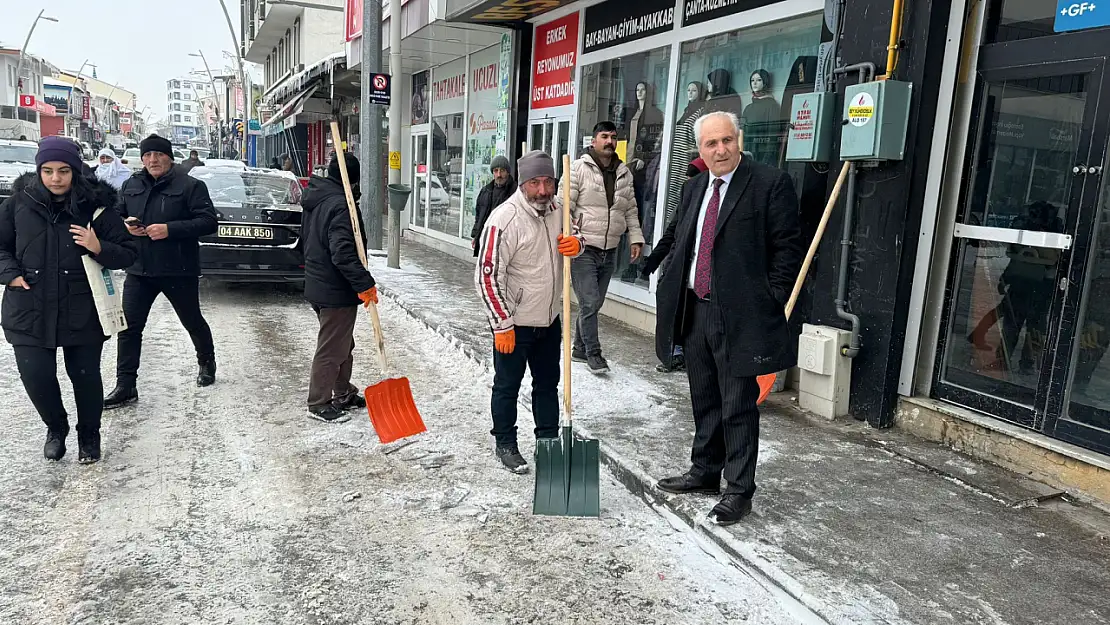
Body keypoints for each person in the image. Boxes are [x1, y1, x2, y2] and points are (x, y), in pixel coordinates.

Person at [654, 112, 802, 526]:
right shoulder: (695, 186)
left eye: (726, 141)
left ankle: (739, 490)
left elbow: (788, 248)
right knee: (704, 396)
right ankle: (704, 470)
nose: (720, 150)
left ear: (739, 139)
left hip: (740, 315)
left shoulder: (770, 184)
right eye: (710, 144)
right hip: (695, 308)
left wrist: (770, 297)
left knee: (738, 404)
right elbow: (680, 235)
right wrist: (654, 263)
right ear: (699, 150)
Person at [0, 137, 138, 462]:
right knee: (36, 376)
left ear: (75, 171)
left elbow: (130, 254)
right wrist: (10, 274)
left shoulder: (97, 209)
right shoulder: (18, 203)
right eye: (47, 171)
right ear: (38, 171)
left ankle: (89, 434)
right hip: (28, 306)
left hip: (83, 307)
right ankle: (56, 427)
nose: (56, 178)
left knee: (85, 376)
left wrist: (98, 246)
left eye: (63, 170)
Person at [474, 150, 584, 473]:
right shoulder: (504, 220)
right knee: (507, 385)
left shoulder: (559, 211)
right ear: (523, 184)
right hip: (515, 324)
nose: (542, 190)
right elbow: (487, 276)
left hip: (549, 320)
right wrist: (502, 324)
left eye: (548, 181)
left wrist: (576, 244)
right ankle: (505, 442)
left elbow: (578, 232)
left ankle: (548, 443)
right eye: (535, 182)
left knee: (547, 384)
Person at [103, 135, 219, 409]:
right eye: (147, 155)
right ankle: (126, 384)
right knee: (129, 328)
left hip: (178, 268)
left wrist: (170, 229)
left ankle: (206, 361)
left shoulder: (191, 186)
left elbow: (208, 221)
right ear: (142, 159)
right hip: (139, 269)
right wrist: (124, 225)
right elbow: (114, 215)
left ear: (169, 157)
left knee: (192, 320)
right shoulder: (131, 185)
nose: (153, 160)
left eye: (158, 155)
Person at [560, 121, 644, 374]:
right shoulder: (577, 169)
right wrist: (570, 236)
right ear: (594, 140)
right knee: (590, 302)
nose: (609, 141)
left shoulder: (624, 173)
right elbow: (564, 207)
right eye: (604, 136)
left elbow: (630, 208)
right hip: (584, 248)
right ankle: (593, 353)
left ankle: (578, 348)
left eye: (613, 137)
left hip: (611, 248)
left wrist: (636, 237)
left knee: (593, 304)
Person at [300, 154, 379, 423]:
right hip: (334, 287)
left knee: (344, 343)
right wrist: (364, 283)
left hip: (320, 281)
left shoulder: (318, 196)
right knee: (333, 347)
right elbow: (343, 254)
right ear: (354, 179)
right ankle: (318, 402)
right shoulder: (341, 205)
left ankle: (343, 392)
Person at [641, 156, 709, 373]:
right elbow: (672, 232)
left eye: (693, 178)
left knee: (691, 317)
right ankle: (671, 354)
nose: (688, 183)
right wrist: (654, 260)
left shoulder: (711, 204)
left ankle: (688, 354)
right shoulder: (687, 199)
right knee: (670, 309)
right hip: (677, 268)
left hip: (699, 274)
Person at [470, 155, 516, 257]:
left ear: (508, 172)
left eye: (502, 170)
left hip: (506, 240)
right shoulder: (486, 191)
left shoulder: (515, 192)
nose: (499, 174)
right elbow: (479, 216)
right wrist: (475, 236)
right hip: (486, 238)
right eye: (496, 171)